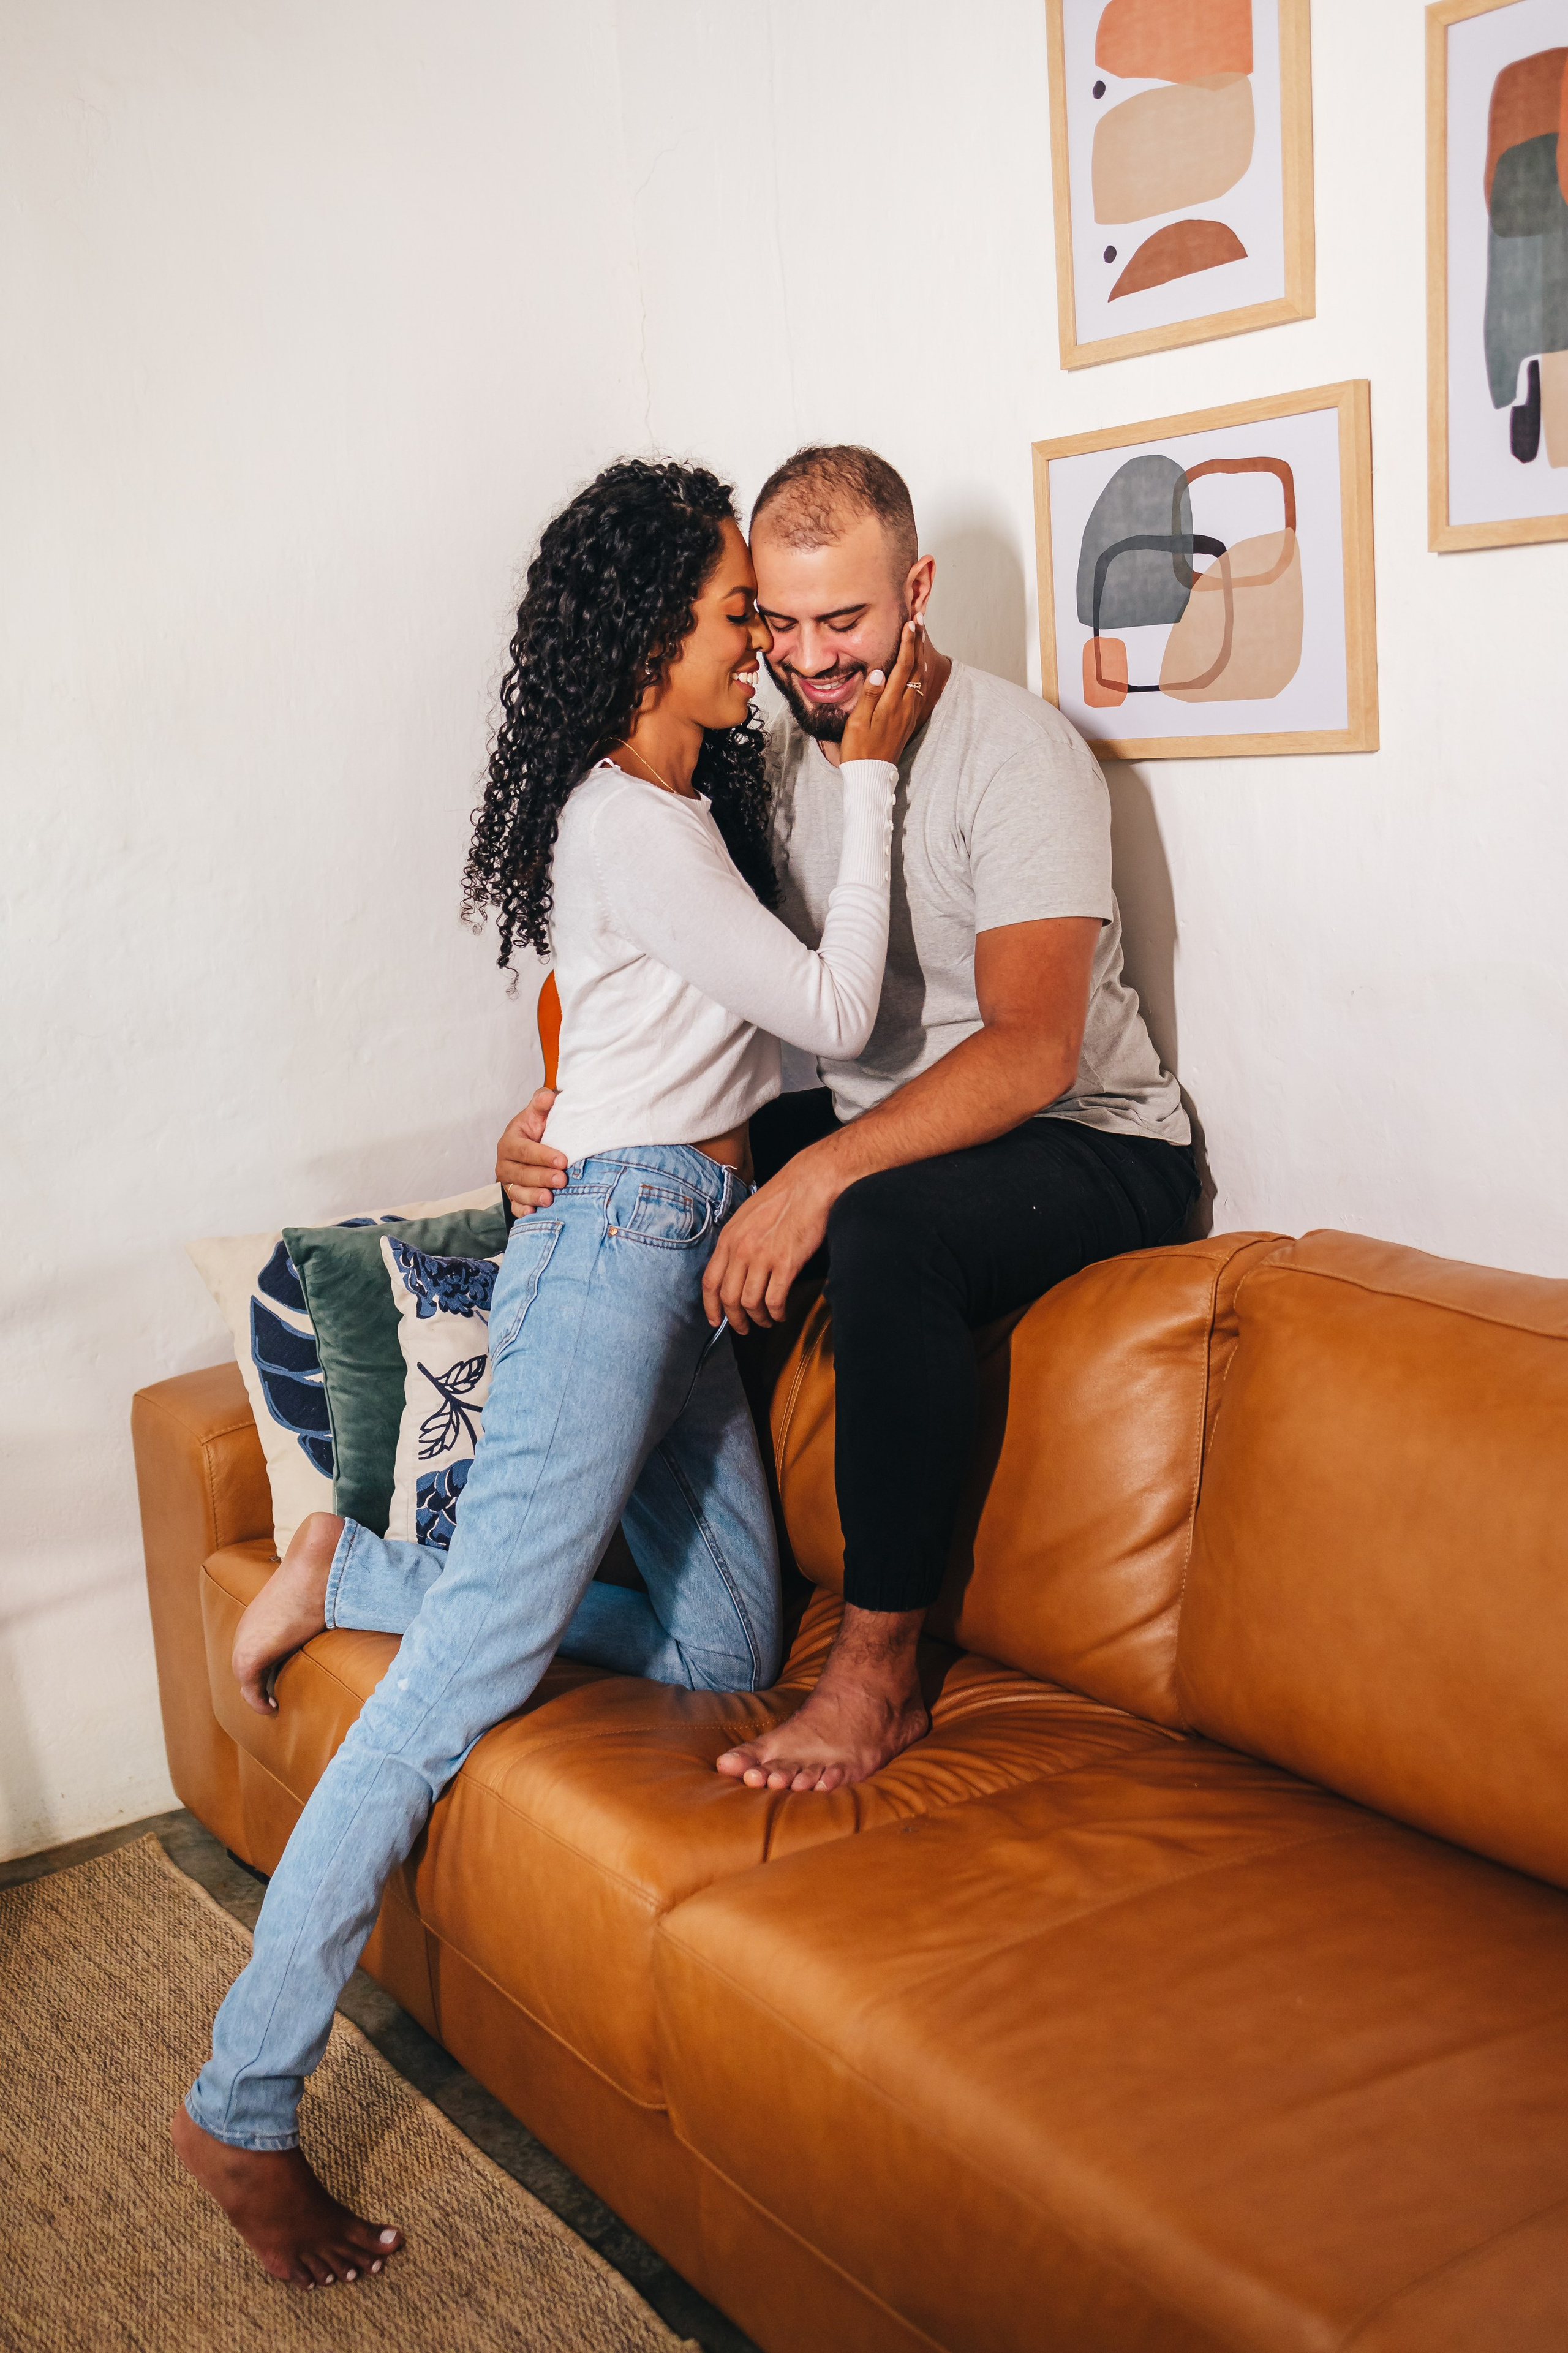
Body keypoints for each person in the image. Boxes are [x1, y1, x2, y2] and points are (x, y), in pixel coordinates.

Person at [173, 458, 925, 2288]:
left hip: (670, 1257)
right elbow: (831, 1012)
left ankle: (350, 1567)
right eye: (735, 612)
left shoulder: (688, 811)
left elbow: (688, 1055)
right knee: (456, 1686)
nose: (760, 640)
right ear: (648, 638)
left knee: (727, 1648)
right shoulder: (627, 821)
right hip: (610, 1267)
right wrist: (884, 763)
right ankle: (239, 2101)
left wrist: (570, 1124)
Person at [499, 445, 1200, 1798]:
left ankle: (877, 1675)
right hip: (889, 1119)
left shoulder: (1017, 753)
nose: (812, 661)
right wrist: (552, 1119)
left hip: (1092, 1140)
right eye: (780, 620)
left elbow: (1032, 1049)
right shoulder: (771, 768)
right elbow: (657, 973)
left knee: (878, 1220)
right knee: (639, 1175)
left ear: (916, 590)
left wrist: (817, 1171)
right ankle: (516, 1559)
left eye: (847, 622)